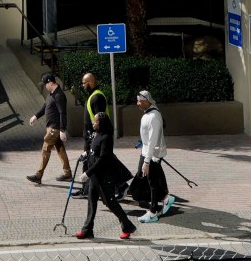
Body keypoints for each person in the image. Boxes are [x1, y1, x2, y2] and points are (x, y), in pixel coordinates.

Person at [73, 105, 136, 241]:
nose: (93, 123)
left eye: (96, 121)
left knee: (110, 202)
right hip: (95, 177)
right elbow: (94, 151)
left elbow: (103, 158)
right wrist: (86, 154)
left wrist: (87, 173)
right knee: (91, 202)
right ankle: (87, 229)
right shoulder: (97, 134)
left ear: (101, 123)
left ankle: (127, 226)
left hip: (104, 177)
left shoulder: (106, 137)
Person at [132, 89, 175, 220]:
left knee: (152, 182)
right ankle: (165, 198)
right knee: (148, 178)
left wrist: (147, 161)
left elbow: (153, 141)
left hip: (152, 155)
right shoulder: (149, 113)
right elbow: (148, 138)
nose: (137, 103)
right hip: (147, 152)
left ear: (147, 101)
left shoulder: (153, 117)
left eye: (140, 101)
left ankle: (153, 211)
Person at [26, 73, 73, 184]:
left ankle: (38, 175)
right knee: (60, 150)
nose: (44, 86)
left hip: (55, 129)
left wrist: (62, 130)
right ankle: (67, 174)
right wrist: (36, 116)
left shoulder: (59, 96)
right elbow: (45, 106)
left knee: (45, 149)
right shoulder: (51, 94)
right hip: (52, 127)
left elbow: (63, 113)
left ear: (50, 83)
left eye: (45, 84)